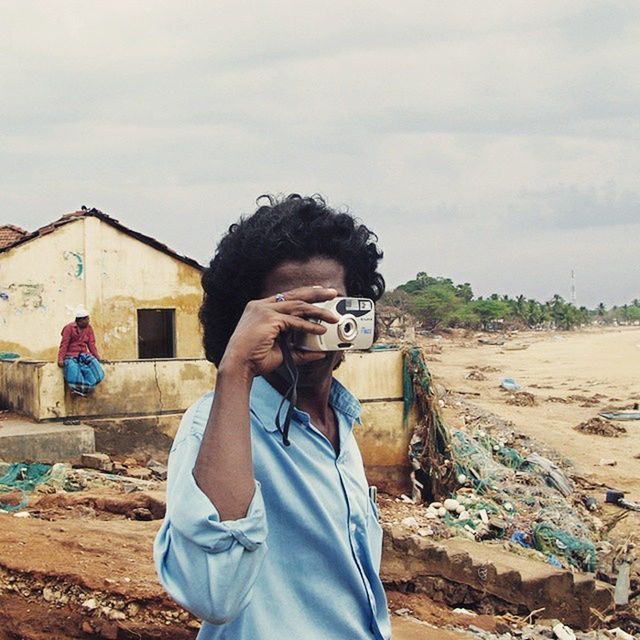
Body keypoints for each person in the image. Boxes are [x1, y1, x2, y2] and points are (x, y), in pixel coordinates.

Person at [154, 194, 391, 639]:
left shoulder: (339, 421)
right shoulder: (215, 427)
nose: (312, 328)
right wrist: (236, 368)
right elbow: (213, 595)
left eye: (328, 309)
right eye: (292, 312)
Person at [57, 306, 104, 397]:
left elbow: (91, 344)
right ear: (79, 321)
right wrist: (60, 359)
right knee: (73, 369)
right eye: (85, 320)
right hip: (70, 355)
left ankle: (85, 388)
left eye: (88, 319)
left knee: (97, 370)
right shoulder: (69, 328)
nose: (88, 321)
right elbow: (64, 344)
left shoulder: (89, 328)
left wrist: (97, 357)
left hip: (83, 354)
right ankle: (77, 389)